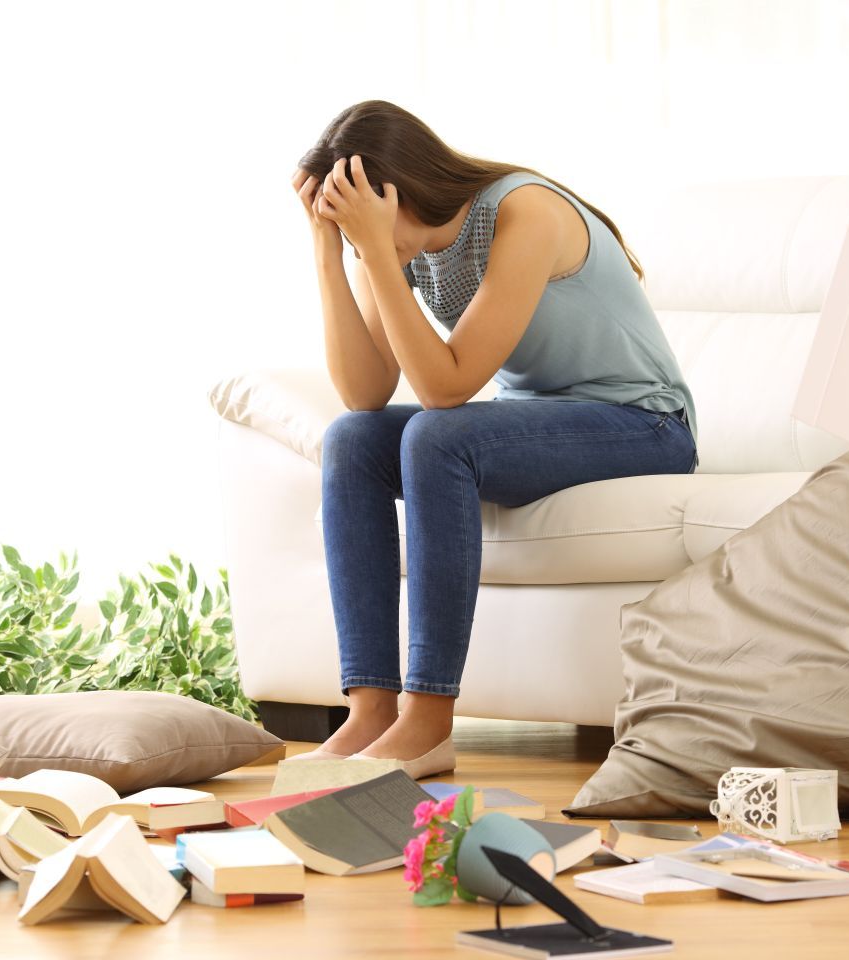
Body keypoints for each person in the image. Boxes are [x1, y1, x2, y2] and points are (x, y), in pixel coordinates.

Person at [288, 100, 697, 779]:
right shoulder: (395, 247)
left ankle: (428, 722)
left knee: (435, 437)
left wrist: (381, 255)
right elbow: (365, 394)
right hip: (536, 424)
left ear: (400, 191)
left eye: (365, 228)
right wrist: (334, 255)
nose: (370, 248)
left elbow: (446, 390)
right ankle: (371, 709)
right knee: (353, 439)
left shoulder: (524, 212)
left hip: (642, 423)